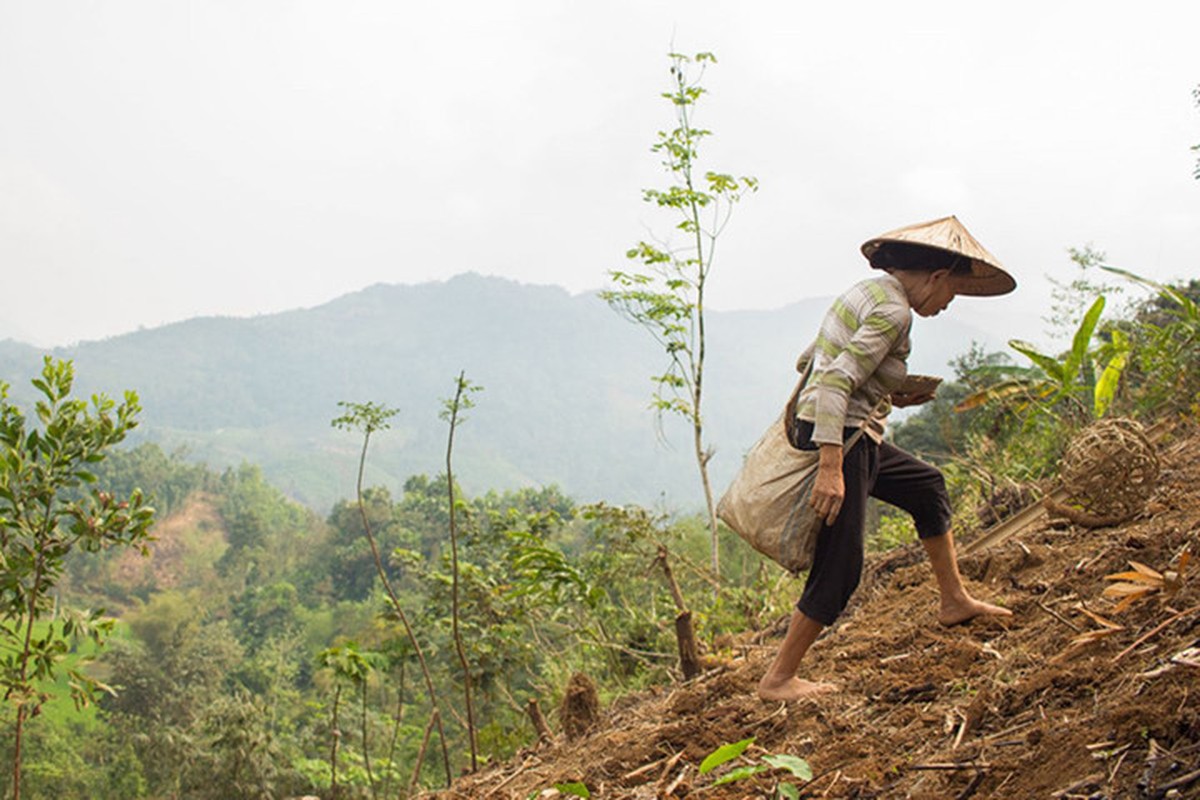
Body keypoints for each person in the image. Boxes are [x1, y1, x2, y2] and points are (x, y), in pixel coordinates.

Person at [758, 215, 1014, 702]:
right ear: (937, 278)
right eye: (951, 295)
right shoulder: (895, 312)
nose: (945, 306)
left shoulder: (867, 291)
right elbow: (833, 381)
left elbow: (810, 358)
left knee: (927, 487)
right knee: (843, 564)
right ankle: (779, 678)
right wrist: (831, 469)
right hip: (844, 437)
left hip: (847, 428)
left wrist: (887, 388)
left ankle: (954, 600)